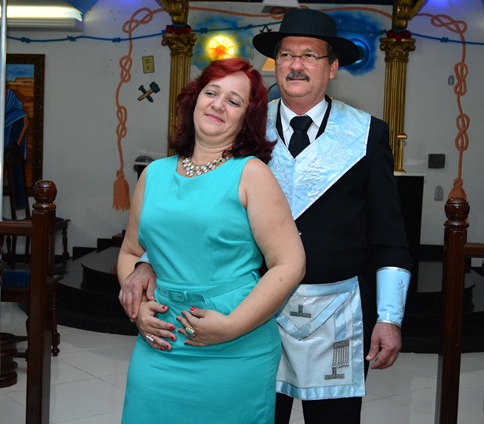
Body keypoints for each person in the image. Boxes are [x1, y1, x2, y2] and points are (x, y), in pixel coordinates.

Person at [119, 8, 413, 424]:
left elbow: (389, 234)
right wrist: (146, 263)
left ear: (332, 67)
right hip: (252, 313)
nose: (296, 65)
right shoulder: (243, 125)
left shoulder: (367, 133)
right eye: (287, 54)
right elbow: (192, 207)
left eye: (310, 55)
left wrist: (389, 317)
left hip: (336, 314)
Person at [117, 57, 305, 423]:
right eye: (211, 93)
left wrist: (231, 326)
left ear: (246, 119)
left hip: (234, 344)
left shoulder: (251, 174)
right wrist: (139, 308)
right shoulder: (153, 174)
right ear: (194, 99)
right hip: (160, 340)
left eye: (234, 101)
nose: (218, 105)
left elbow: (290, 263)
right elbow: (130, 252)